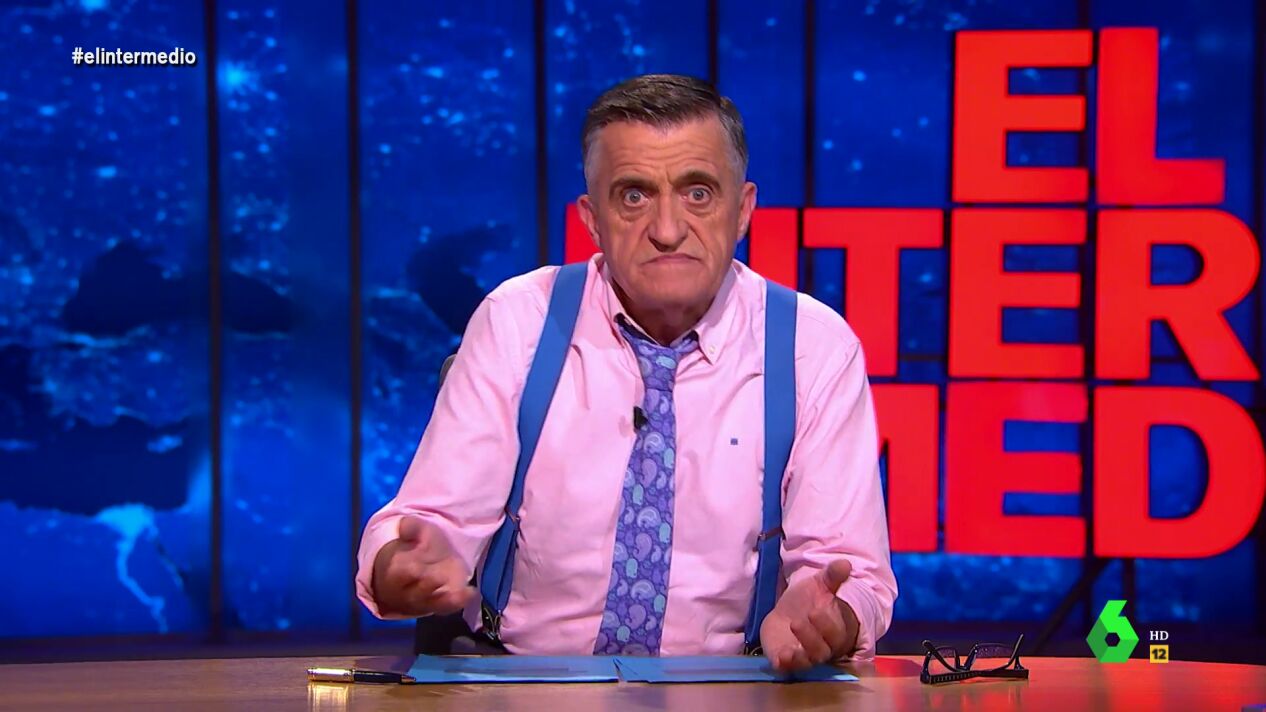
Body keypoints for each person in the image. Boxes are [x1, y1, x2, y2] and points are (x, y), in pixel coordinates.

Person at [356, 74, 897, 671]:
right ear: (592, 218)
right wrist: (400, 565)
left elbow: (849, 571)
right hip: (519, 678)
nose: (667, 230)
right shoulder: (518, 321)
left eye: (697, 193)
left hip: (731, 686)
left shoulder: (813, 348)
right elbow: (430, 524)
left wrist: (830, 618)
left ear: (743, 210)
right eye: (634, 196)